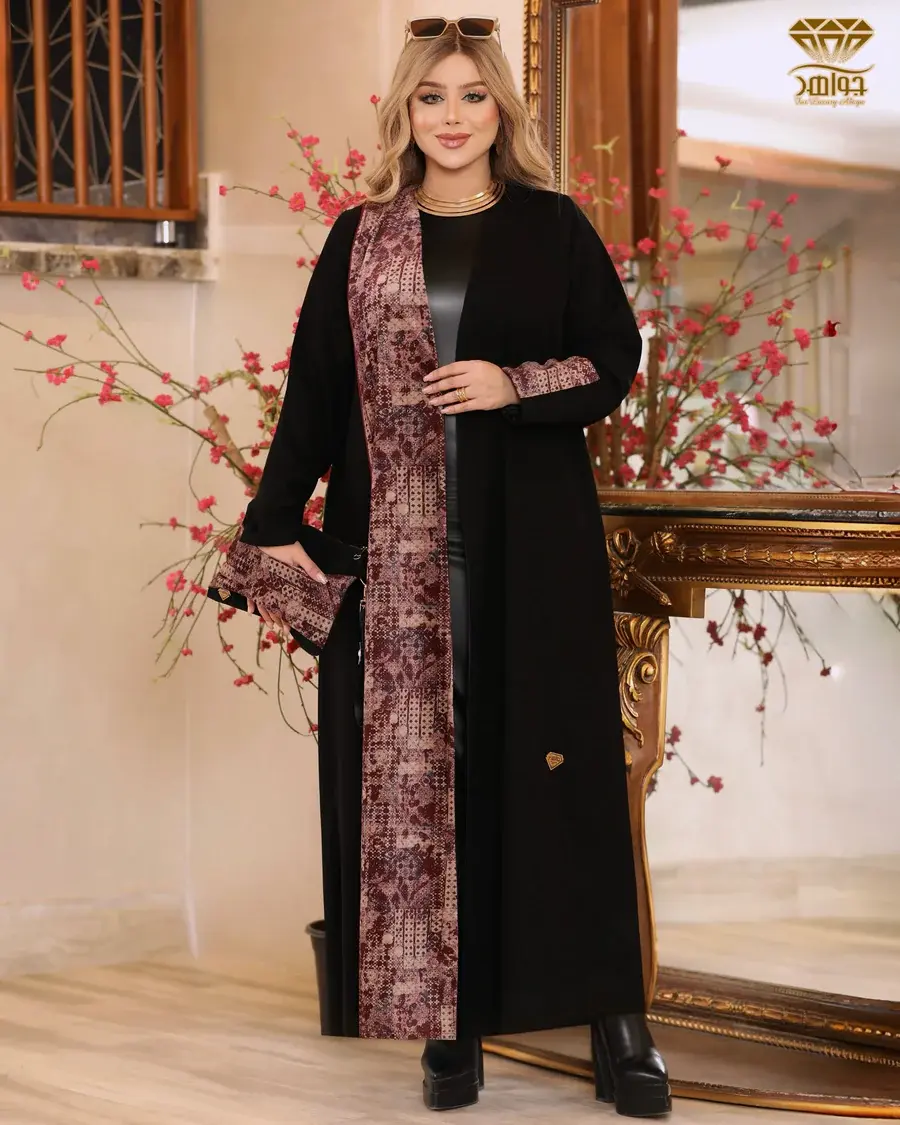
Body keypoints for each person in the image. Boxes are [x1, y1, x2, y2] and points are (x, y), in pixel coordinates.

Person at [239, 14, 670, 1117]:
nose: (453, 116)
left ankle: (616, 1022)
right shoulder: (362, 236)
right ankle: (448, 1022)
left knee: (562, 783)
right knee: (427, 785)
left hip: (532, 550)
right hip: (398, 559)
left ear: (500, 112)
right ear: (405, 112)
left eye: (474, 95)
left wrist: (512, 385)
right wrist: (272, 521)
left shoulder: (551, 226)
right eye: (432, 97)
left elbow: (613, 358)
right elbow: (315, 389)